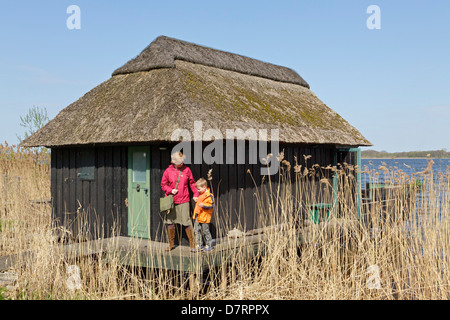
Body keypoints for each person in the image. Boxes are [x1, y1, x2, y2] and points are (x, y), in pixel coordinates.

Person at [161, 152, 198, 251]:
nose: (181, 163)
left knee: (187, 222)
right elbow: (163, 184)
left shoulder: (187, 170)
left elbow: (192, 183)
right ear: (173, 161)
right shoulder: (168, 171)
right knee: (170, 222)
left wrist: (195, 194)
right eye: (178, 161)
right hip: (171, 201)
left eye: (182, 161)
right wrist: (170, 190)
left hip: (184, 200)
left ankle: (192, 245)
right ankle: (171, 244)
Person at [192, 178, 215, 252]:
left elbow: (212, 205)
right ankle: (199, 245)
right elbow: (198, 206)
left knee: (205, 231)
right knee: (196, 230)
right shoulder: (200, 195)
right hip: (198, 216)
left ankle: (209, 245)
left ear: (204, 187)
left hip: (205, 217)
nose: (198, 191)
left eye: (199, 189)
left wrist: (203, 205)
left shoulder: (209, 195)